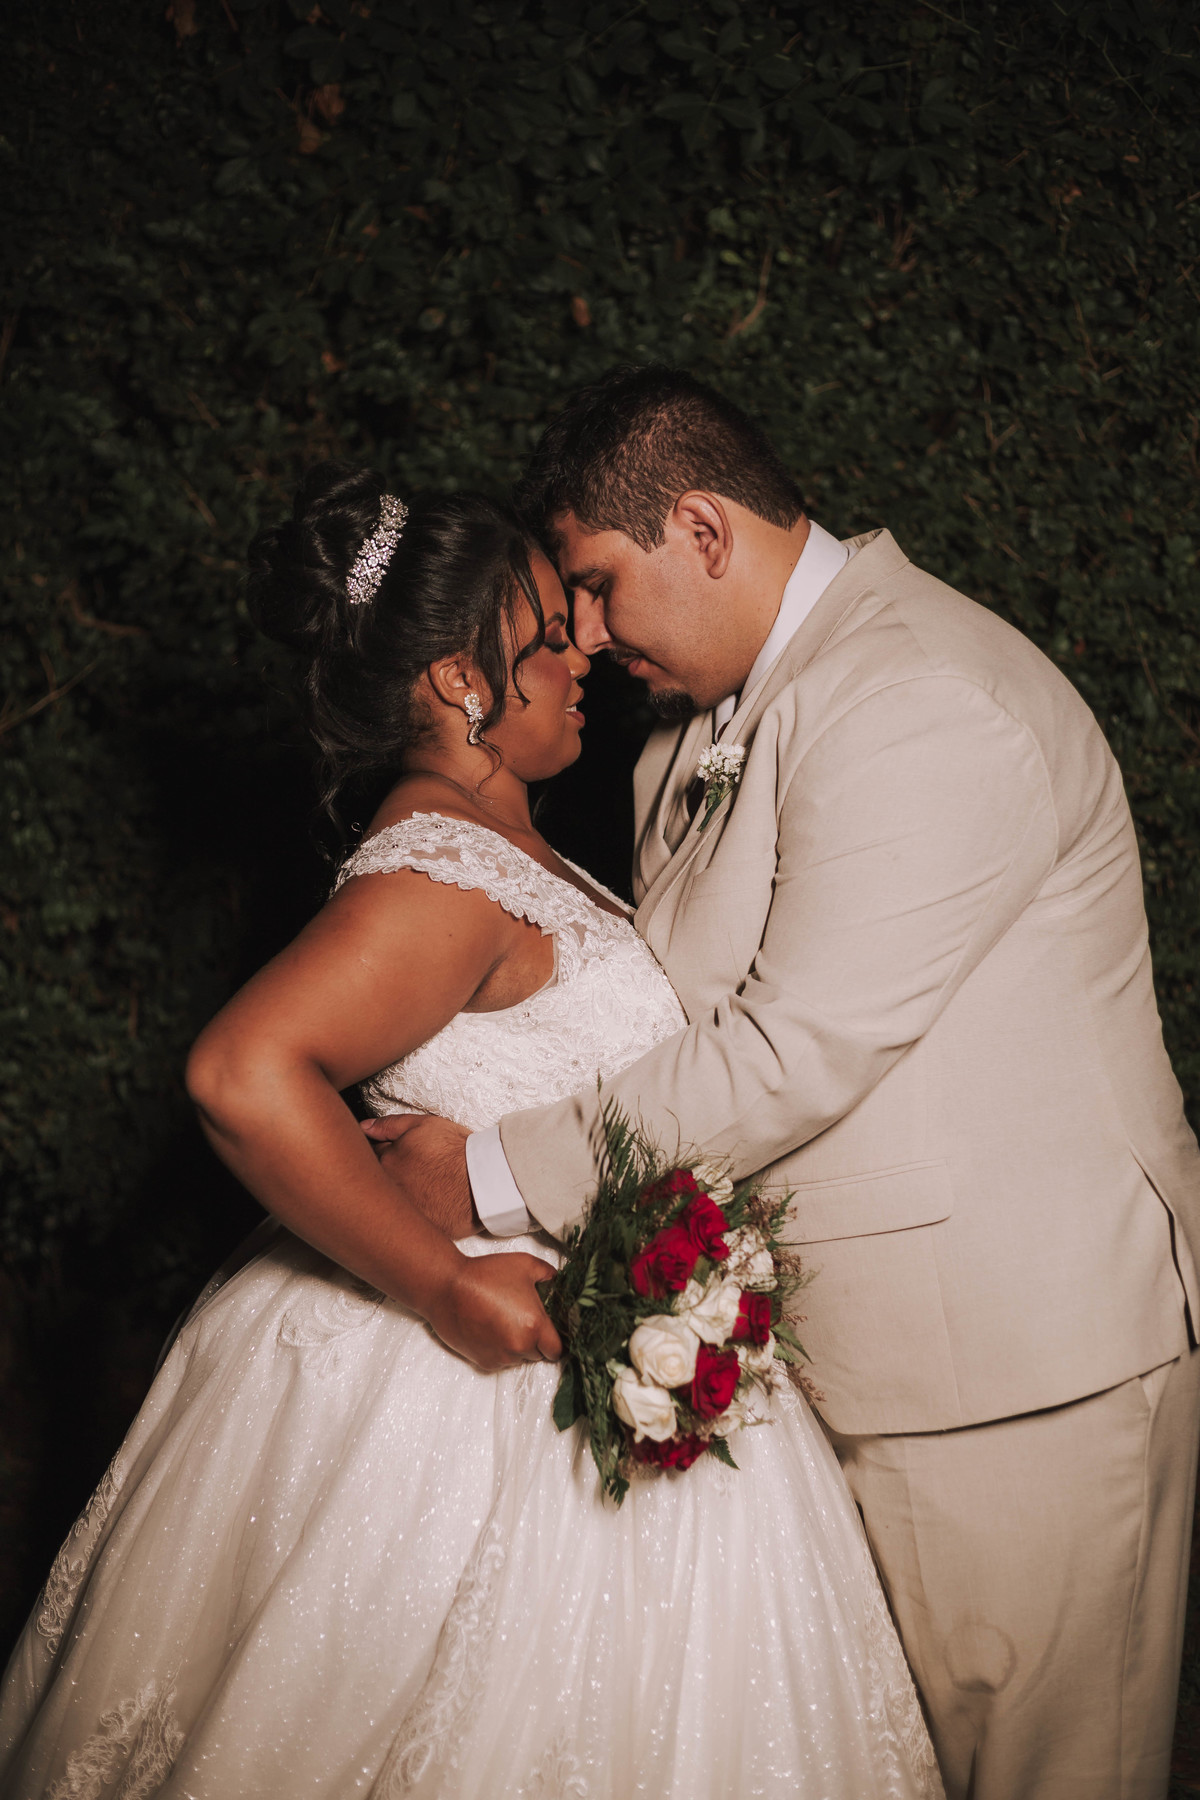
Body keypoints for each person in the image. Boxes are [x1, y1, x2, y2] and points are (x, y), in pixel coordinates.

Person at [0, 464, 942, 1799]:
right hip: (464, 1390)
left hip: (595, 1339)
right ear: (459, 682)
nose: (584, 656)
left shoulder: (509, 853)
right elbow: (241, 1071)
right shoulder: (440, 874)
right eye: (549, 635)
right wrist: (443, 1285)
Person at [370, 366, 1200, 1800]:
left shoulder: (923, 694)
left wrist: (484, 1172)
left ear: (702, 529)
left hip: (1015, 1384)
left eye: (594, 583)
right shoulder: (686, 732)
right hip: (823, 1373)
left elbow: (792, 1049)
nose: (581, 632)